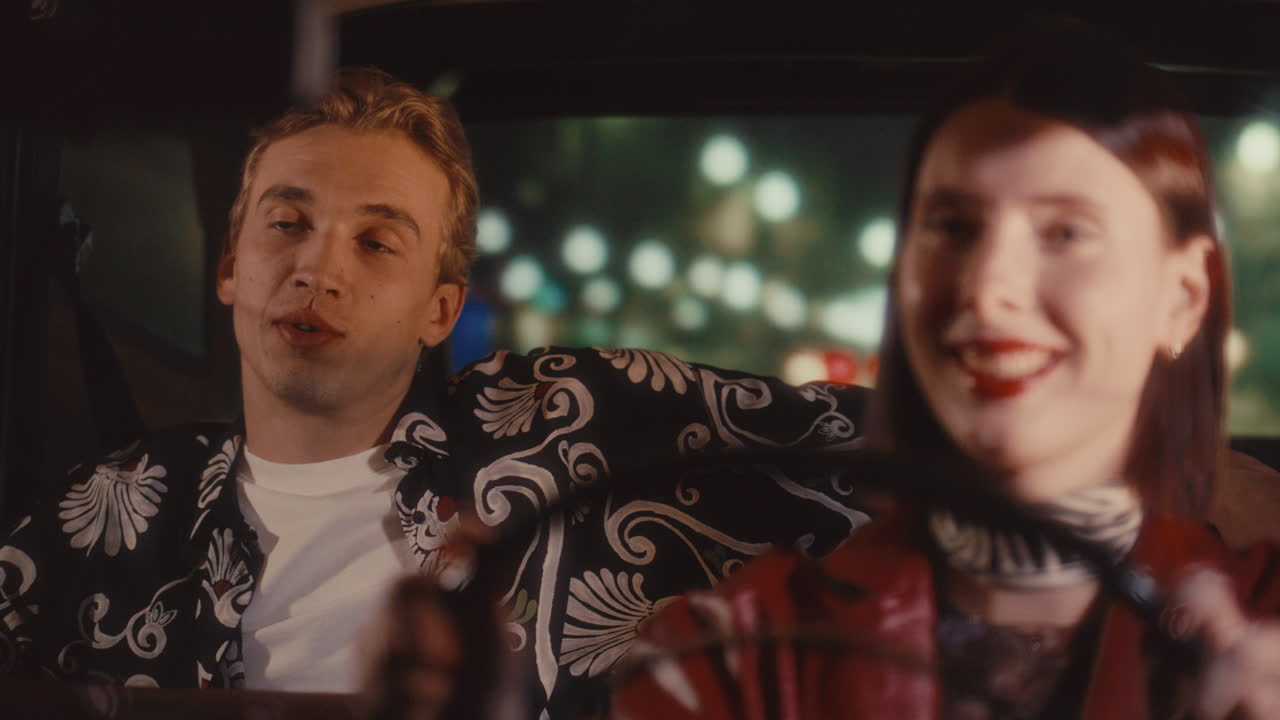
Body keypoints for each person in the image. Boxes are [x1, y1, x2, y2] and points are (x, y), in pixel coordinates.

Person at [0, 68, 872, 718]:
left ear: (439, 308)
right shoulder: (115, 507)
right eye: (287, 223)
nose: (318, 269)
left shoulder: (565, 423)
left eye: (378, 243)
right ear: (231, 268)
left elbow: (886, 461)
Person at [611, 25, 1280, 720]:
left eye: (1065, 233)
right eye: (953, 227)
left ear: (1182, 299)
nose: (986, 288)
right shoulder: (731, 654)